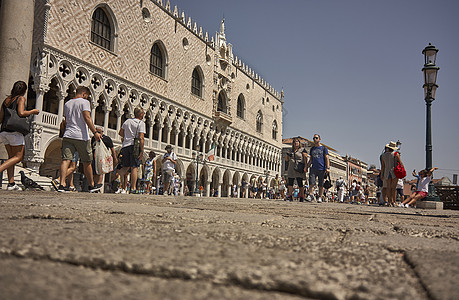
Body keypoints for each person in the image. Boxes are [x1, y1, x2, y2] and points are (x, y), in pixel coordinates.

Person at [56, 86, 102, 192]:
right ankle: (91, 185)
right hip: (81, 136)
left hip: (68, 135)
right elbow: (87, 117)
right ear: (84, 94)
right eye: (87, 96)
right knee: (87, 162)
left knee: (66, 160)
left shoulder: (67, 103)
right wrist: (95, 132)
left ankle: (62, 184)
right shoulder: (84, 102)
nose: (87, 98)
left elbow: (66, 120)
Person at [0, 81, 40, 190]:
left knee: (11, 158)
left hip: (4, 132)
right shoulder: (21, 99)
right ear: (24, 91)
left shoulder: (6, 100)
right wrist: (32, 111)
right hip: (15, 132)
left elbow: (0, 118)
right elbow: (21, 113)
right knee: (18, 157)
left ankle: (11, 183)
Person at [116, 107, 145, 193]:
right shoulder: (140, 123)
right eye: (143, 114)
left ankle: (116, 178)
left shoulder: (127, 121)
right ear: (140, 114)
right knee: (134, 167)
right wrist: (142, 150)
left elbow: (120, 133)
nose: (143, 115)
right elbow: (141, 137)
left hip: (125, 146)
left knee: (125, 166)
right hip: (134, 147)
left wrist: (126, 138)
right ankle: (133, 188)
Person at [306, 134, 329, 203]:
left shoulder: (324, 148)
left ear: (319, 139)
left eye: (316, 138)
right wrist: (306, 166)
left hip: (322, 168)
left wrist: (327, 168)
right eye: (314, 138)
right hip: (313, 168)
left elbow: (327, 158)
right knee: (311, 183)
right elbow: (311, 160)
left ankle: (320, 197)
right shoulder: (312, 149)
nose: (315, 139)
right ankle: (310, 195)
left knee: (320, 184)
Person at [380, 141, 402, 207]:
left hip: (386, 172)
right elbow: (400, 163)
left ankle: (389, 202)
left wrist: (382, 174)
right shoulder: (396, 154)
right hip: (394, 172)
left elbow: (383, 166)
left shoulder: (383, 155)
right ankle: (394, 201)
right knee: (394, 188)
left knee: (388, 188)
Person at [285, 137, 307, 202]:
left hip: (299, 167)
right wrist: (287, 155)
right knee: (290, 183)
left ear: (299, 143)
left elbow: (305, 159)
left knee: (300, 183)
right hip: (291, 168)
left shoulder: (302, 150)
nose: (296, 143)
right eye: (294, 142)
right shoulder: (291, 150)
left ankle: (302, 197)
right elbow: (286, 160)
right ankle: (290, 196)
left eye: (297, 141)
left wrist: (306, 167)